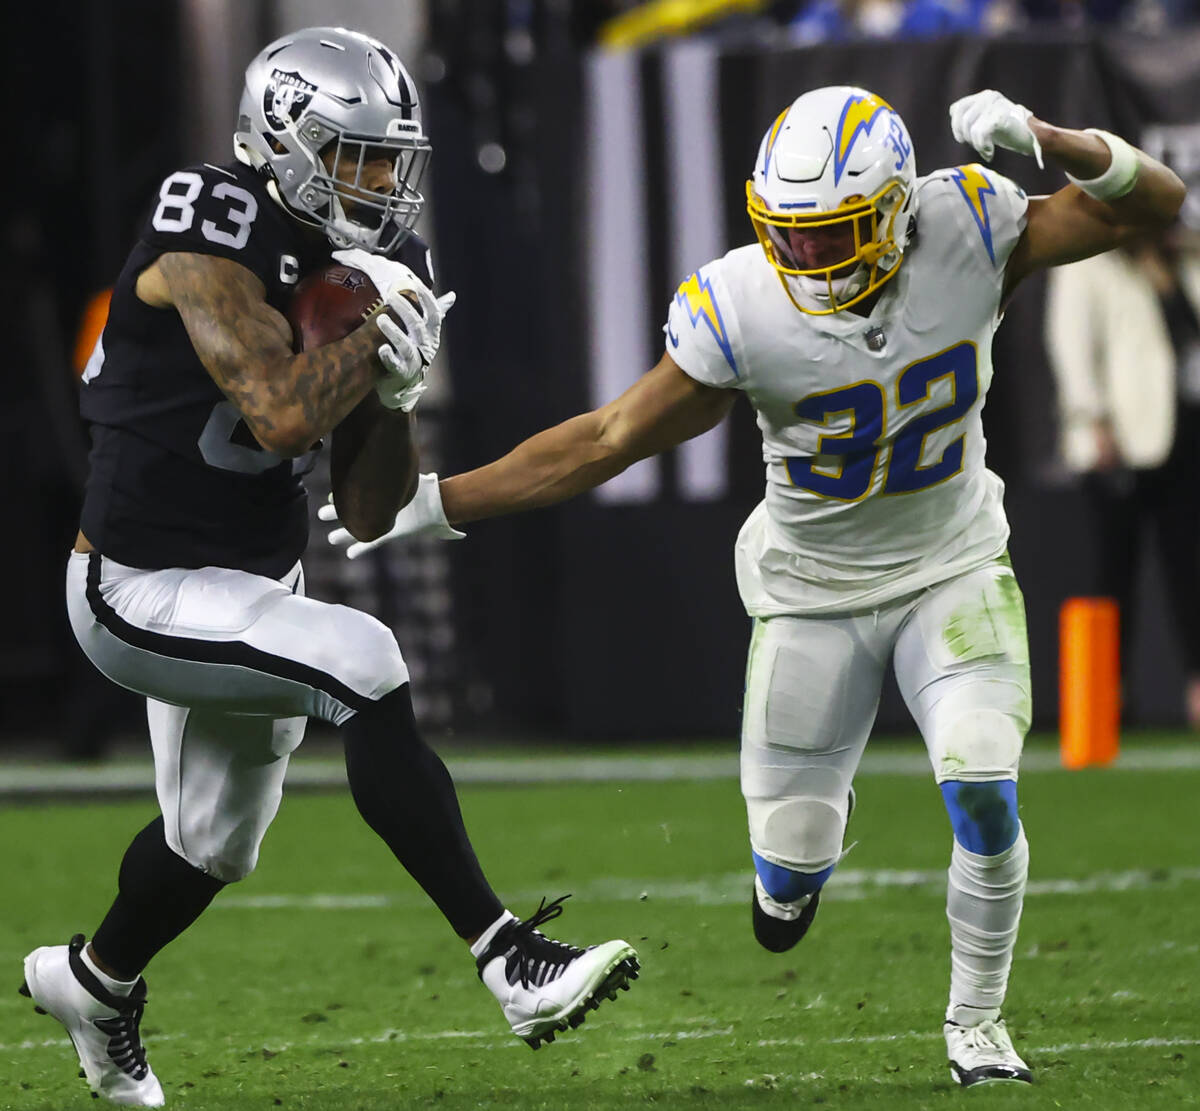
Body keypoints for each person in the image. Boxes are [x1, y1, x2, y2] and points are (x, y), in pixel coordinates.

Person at [322, 86, 1185, 1086]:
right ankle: (794, 873)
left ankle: (977, 1025)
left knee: (983, 786)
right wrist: (440, 500)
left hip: (951, 566)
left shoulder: (969, 225)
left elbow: (1154, 203)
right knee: (787, 872)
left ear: (898, 212)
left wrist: (1048, 137)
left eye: (831, 233)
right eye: (789, 232)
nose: (805, 257)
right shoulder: (744, 304)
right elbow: (608, 437)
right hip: (810, 592)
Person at [19, 26, 638, 1109]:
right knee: (366, 655)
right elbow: (273, 413)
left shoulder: (386, 267)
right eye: (358, 157)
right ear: (285, 141)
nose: (384, 184)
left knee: (213, 844)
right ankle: (509, 958)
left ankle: (94, 981)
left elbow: (367, 506)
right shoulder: (209, 218)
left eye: (393, 161)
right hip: (134, 584)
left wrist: (394, 395)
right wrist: (368, 343)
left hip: (253, 580)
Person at [1045, 226, 1200, 726]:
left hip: (1186, 436)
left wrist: (1169, 272)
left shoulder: (1184, 260)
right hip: (1122, 441)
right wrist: (1092, 418)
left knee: (1190, 569)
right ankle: (1105, 698)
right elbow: (1071, 345)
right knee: (1112, 574)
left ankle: (1197, 690)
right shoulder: (1088, 263)